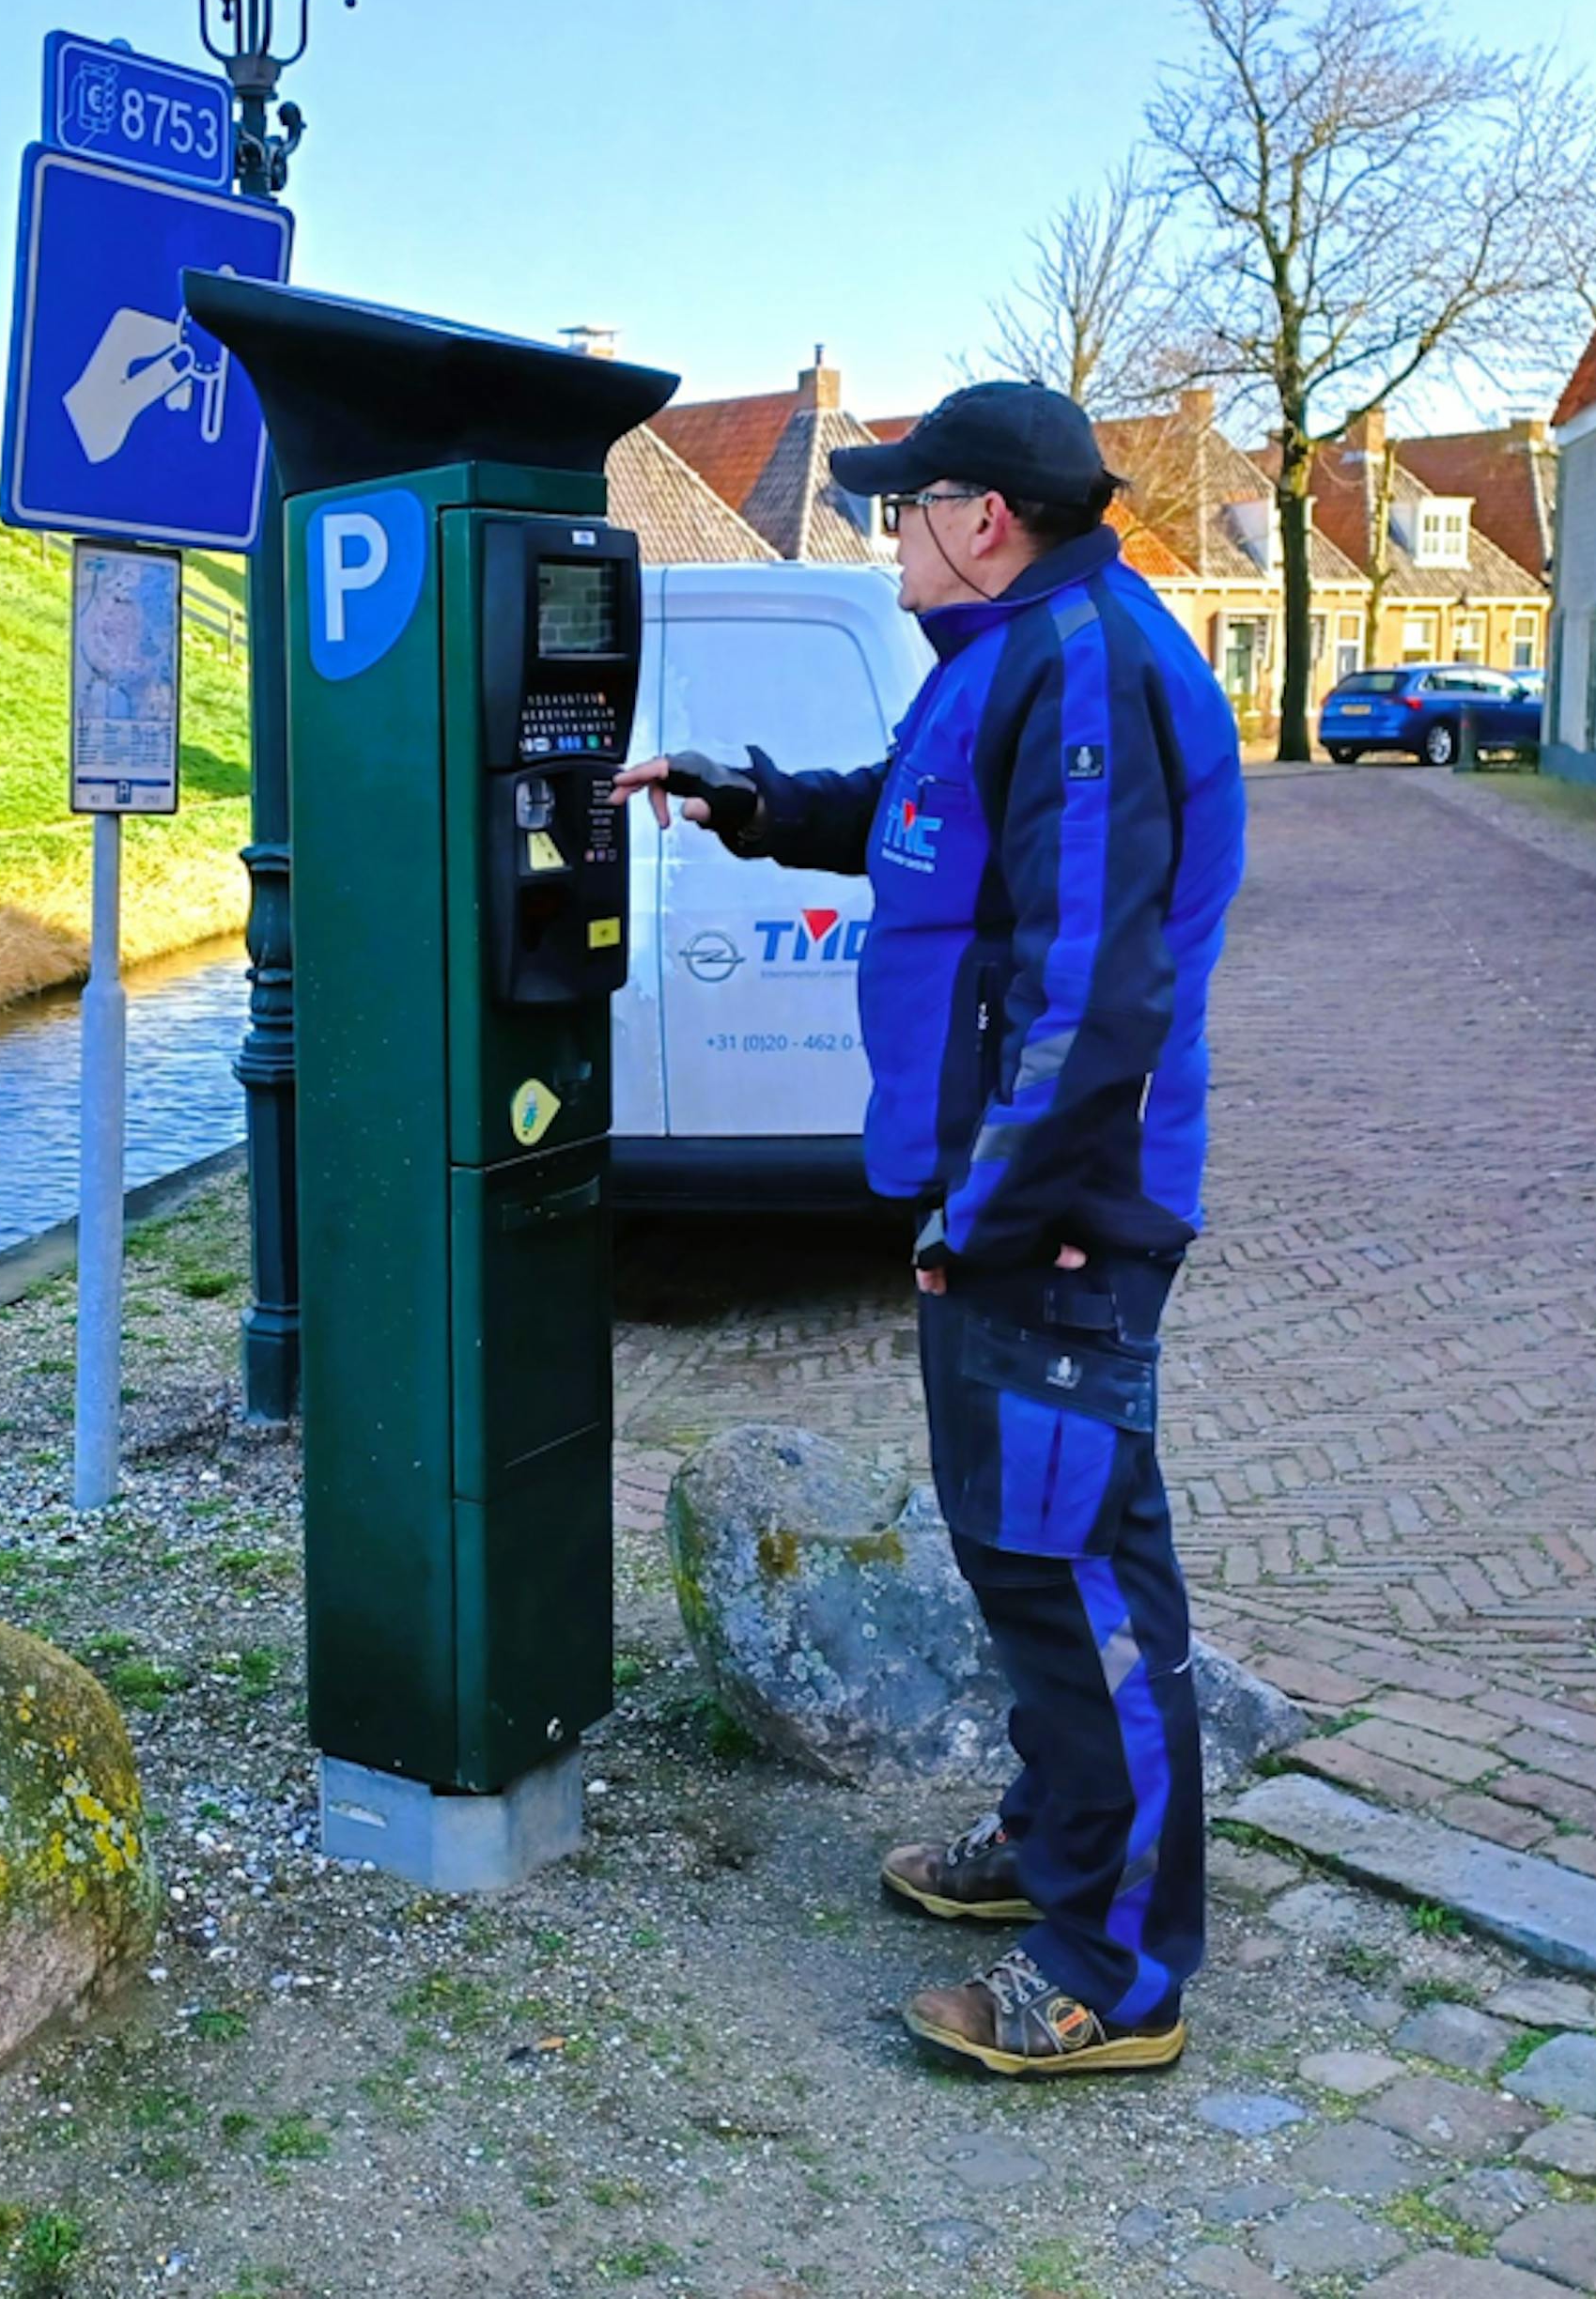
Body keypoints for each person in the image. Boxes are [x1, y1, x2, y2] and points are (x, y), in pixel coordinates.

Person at [614, 381, 1246, 2078]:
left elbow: (1093, 993)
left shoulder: (1090, 672)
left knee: (1082, 1580)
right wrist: (745, 799)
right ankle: (1054, 1841)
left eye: (904, 502)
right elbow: (910, 818)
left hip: (1057, 1219)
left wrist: (998, 1211)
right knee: (1017, 1556)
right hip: (1002, 1200)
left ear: (985, 518)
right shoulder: (1000, 657)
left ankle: (1117, 1971)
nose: (887, 528)